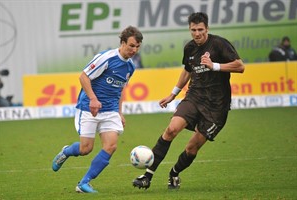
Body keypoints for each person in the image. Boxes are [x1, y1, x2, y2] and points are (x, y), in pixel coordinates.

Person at [132, 12, 244, 190]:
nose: (197, 33)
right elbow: (187, 71)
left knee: (192, 148)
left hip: (217, 107)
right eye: (193, 30)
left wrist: (214, 66)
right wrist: (172, 94)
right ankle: (147, 176)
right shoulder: (189, 48)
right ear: (189, 29)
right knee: (171, 130)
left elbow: (240, 66)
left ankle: (174, 173)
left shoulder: (219, 44)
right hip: (194, 97)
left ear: (207, 29)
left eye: (200, 29)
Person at [52, 26, 143, 193]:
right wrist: (93, 99)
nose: (134, 50)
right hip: (88, 108)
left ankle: (84, 183)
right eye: (131, 45)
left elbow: (120, 90)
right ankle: (66, 151)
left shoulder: (130, 67)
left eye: (137, 46)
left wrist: (119, 112)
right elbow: (83, 76)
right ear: (122, 43)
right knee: (85, 149)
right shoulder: (106, 58)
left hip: (110, 110)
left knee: (111, 146)